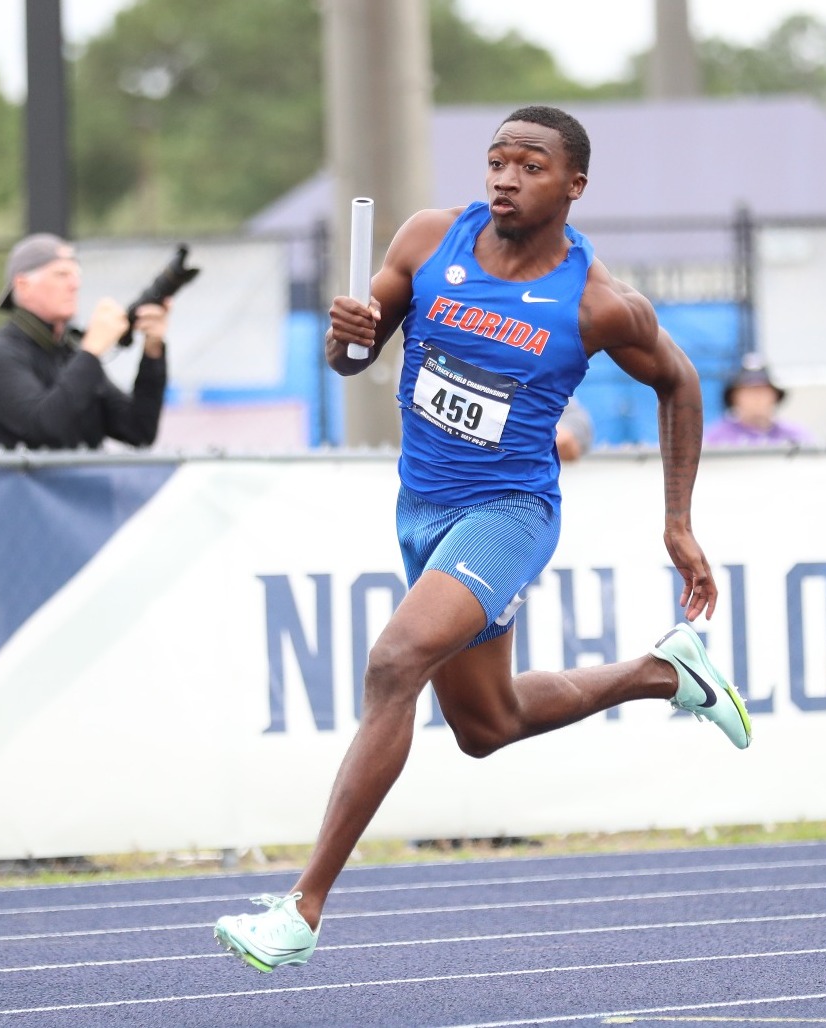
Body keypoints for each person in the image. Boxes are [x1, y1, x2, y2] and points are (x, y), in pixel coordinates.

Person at [212, 105, 751, 973]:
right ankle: (664, 673)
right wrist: (346, 341)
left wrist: (678, 521)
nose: (506, 177)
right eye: (497, 160)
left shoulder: (598, 303)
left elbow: (681, 384)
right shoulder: (429, 240)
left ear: (573, 185)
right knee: (484, 724)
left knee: (395, 663)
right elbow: (351, 359)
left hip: (507, 513)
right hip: (420, 509)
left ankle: (302, 909)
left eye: (530, 165)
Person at [0, 233, 170, 449]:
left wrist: (153, 350)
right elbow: (45, 427)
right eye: (61, 274)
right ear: (23, 285)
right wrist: (91, 351)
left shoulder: (68, 353)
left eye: (76, 274)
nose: (75, 284)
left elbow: (139, 430)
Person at [704, 353, 812, 447]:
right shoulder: (715, 439)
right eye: (749, 392)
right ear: (734, 398)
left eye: (762, 391)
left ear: (775, 396)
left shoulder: (795, 436)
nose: (756, 399)